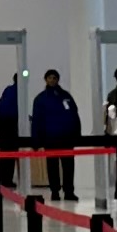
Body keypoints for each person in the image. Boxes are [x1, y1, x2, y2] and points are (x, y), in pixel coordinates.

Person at [31, 67, 82, 196]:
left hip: (67, 137)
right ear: (45, 80)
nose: (52, 80)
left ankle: (69, 191)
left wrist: (77, 134)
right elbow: (37, 120)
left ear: (58, 80)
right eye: (50, 78)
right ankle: (55, 191)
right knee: (52, 166)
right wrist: (36, 140)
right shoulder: (40, 99)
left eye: (54, 78)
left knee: (68, 165)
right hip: (50, 137)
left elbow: (74, 115)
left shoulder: (66, 96)